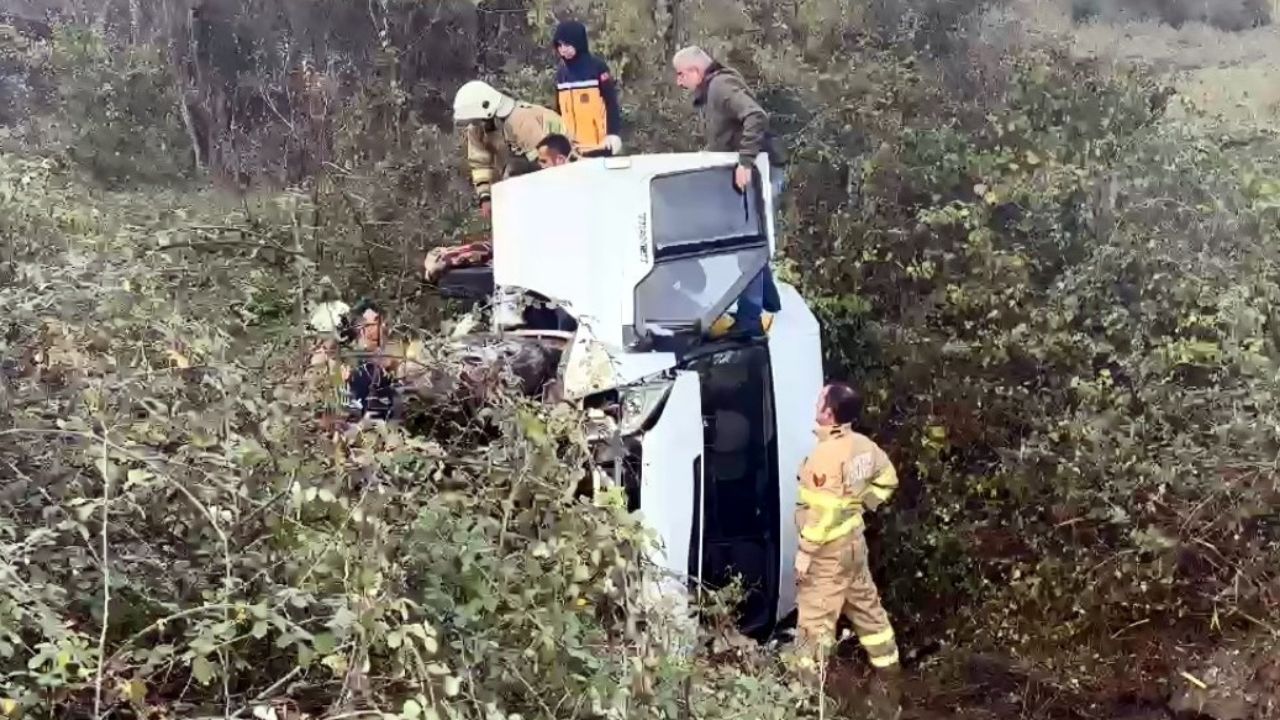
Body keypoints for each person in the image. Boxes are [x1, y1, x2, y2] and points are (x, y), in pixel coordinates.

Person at [793, 383, 901, 713]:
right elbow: (888, 479)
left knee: (813, 628)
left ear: (829, 413)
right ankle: (890, 684)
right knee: (870, 615)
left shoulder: (825, 456)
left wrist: (805, 553)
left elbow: (824, 514)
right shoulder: (863, 446)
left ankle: (806, 702)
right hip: (855, 548)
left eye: (820, 399)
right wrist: (862, 505)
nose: (816, 402)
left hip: (828, 556)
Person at [671, 46, 786, 336]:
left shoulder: (721, 86)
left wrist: (745, 162)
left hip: (761, 172)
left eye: (681, 73)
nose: (678, 81)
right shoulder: (712, 90)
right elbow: (728, 135)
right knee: (748, 241)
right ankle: (768, 301)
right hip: (751, 172)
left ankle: (750, 320)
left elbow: (755, 116)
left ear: (696, 71)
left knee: (745, 244)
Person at [453, 80, 572, 218]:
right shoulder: (476, 129)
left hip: (566, 162)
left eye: (475, 119)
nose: (473, 124)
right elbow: (480, 162)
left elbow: (544, 163)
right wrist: (485, 197)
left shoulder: (520, 119)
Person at [551, 20, 622, 156]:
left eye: (567, 44)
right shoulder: (561, 73)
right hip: (572, 150)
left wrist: (613, 134)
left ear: (578, 42)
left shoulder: (597, 67)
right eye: (559, 45)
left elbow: (611, 102)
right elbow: (559, 110)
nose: (563, 49)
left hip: (599, 145)